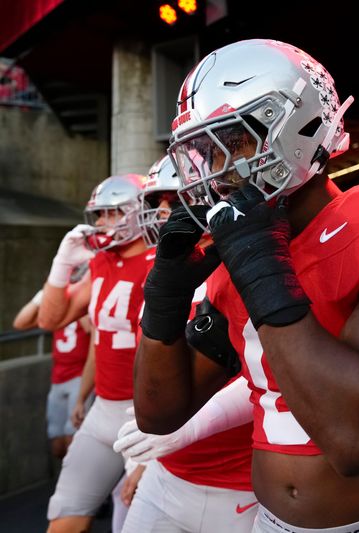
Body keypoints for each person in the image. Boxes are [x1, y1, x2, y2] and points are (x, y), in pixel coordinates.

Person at [133, 38, 359, 532]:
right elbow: (159, 412)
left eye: (231, 141)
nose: (215, 169)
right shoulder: (233, 260)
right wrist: (164, 300)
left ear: (297, 124)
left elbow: (358, 441)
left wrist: (261, 266)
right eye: (201, 151)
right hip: (268, 521)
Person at [111, 155, 259, 533]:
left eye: (175, 200)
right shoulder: (163, 270)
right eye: (156, 202)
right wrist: (143, 461)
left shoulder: (250, 258)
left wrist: (191, 427)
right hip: (168, 473)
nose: (162, 213)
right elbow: (155, 374)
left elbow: (268, 370)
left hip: (238, 481)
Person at [39, 173, 151, 533]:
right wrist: (62, 265)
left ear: (137, 212)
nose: (101, 224)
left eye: (111, 213)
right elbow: (51, 318)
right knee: (64, 519)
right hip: (103, 409)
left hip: (145, 415)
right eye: (99, 215)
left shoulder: (159, 262)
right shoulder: (101, 261)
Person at [12, 265, 91, 465]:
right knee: (57, 446)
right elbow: (20, 323)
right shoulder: (56, 306)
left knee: (73, 441)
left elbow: (92, 329)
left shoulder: (83, 302)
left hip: (79, 377)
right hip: (58, 378)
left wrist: (78, 298)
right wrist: (45, 294)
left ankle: (81, 491)